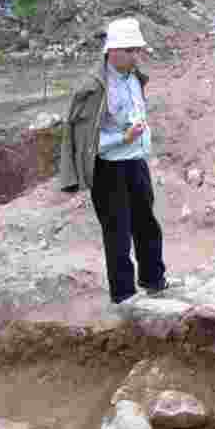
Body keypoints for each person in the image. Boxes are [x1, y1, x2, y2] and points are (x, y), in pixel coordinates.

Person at [59, 17, 175, 305]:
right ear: (113, 51)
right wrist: (121, 139)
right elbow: (85, 143)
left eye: (138, 50)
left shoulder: (134, 77)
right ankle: (123, 294)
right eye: (132, 50)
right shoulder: (93, 88)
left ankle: (154, 280)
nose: (138, 56)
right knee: (118, 231)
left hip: (136, 162)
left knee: (147, 224)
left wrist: (135, 141)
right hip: (108, 168)